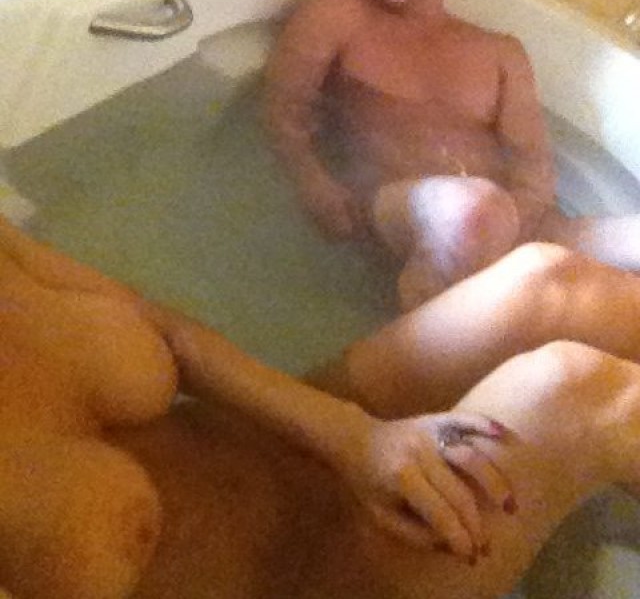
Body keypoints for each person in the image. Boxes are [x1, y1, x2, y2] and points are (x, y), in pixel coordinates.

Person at [5, 215, 640, 597]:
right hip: (313, 583)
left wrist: (354, 436)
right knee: (583, 395)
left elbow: (166, 331)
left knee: (552, 283)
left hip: (284, 448)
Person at [265, 0, 640, 310]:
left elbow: (533, 166)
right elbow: (283, 109)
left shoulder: (500, 52)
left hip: (513, 224)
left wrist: (512, 233)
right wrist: (312, 180)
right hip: (395, 213)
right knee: (471, 210)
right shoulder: (337, 16)